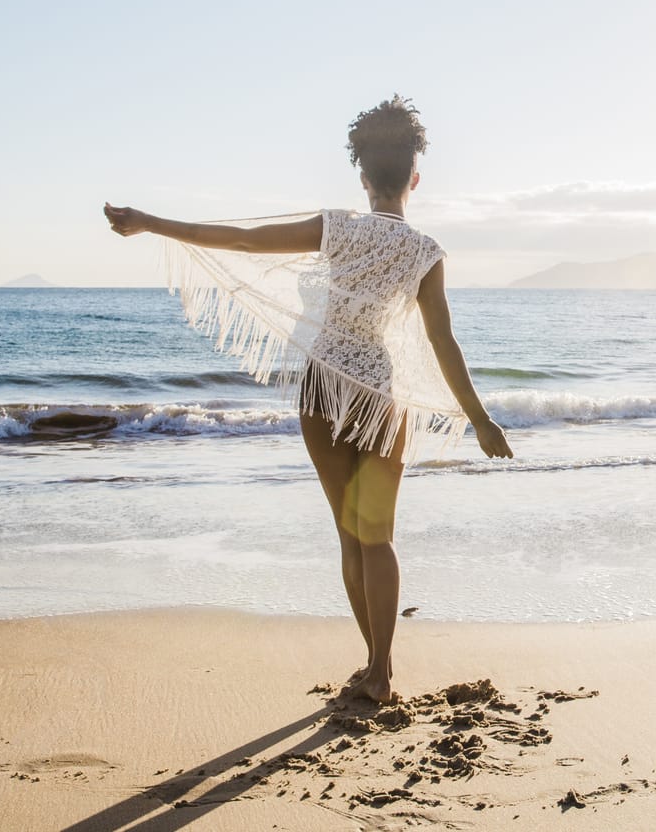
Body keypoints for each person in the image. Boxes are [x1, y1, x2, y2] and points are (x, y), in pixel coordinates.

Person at [104, 95, 513, 704]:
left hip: (323, 388)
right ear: (414, 179)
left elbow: (241, 242)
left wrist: (150, 222)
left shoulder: (336, 227)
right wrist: (479, 420)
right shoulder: (425, 253)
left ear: (363, 176)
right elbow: (442, 341)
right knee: (378, 537)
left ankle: (374, 667)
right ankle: (380, 669)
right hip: (378, 395)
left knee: (350, 537)